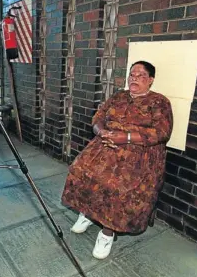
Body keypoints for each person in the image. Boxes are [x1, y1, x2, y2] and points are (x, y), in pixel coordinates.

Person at [61, 61, 173, 259]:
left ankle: (107, 232)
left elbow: (162, 132)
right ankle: (88, 213)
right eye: (131, 74)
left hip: (137, 153)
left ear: (151, 80)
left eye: (140, 75)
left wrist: (127, 137)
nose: (134, 78)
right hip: (106, 145)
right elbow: (98, 117)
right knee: (80, 170)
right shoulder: (119, 96)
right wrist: (101, 131)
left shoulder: (159, 102)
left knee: (116, 186)